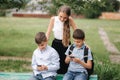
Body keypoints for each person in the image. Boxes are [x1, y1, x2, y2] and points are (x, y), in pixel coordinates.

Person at [46, 5, 77, 74]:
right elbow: (48, 33)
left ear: (68, 16)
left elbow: (77, 32)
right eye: (61, 16)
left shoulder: (70, 20)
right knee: (55, 63)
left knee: (66, 65)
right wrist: (43, 43)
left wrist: (82, 43)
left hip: (66, 44)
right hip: (56, 44)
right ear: (58, 13)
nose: (62, 19)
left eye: (65, 18)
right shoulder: (53, 19)